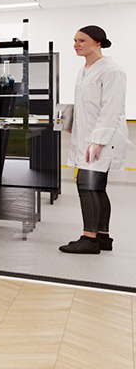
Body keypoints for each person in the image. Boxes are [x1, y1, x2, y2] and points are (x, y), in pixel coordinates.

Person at [59, 25, 127, 254]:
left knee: (87, 187)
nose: (76, 44)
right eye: (75, 40)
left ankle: (89, 240)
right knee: (96, 188)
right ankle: (103, 237)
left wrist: (98, 141)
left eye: (82, 40)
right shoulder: (84, 69)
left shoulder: (111, 70)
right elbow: (87, 105)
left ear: (98, 42)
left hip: (101, 139)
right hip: (87, 136)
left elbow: (111, 108)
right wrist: (72, 122)